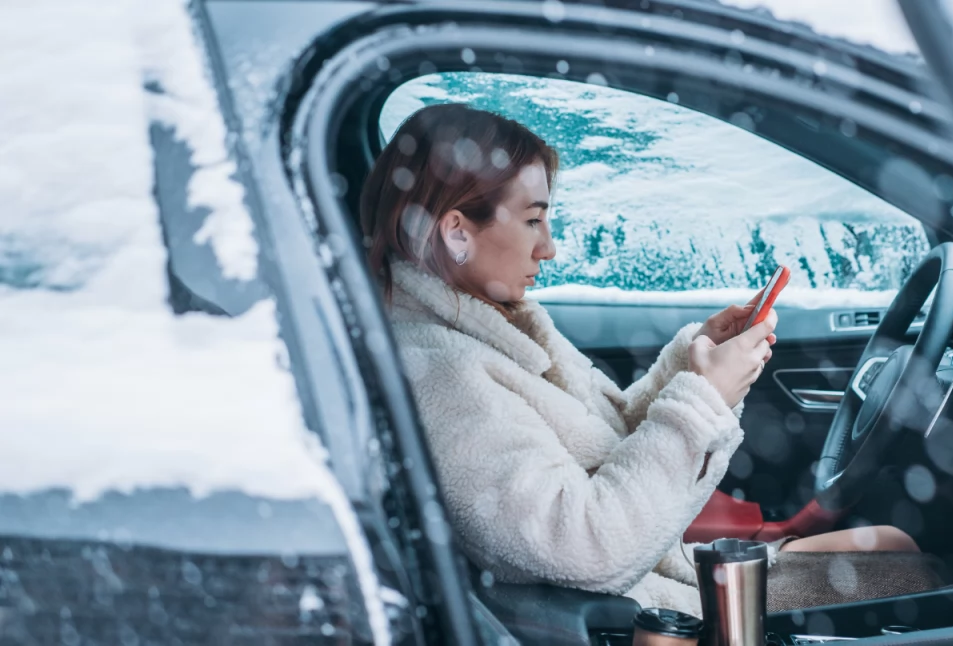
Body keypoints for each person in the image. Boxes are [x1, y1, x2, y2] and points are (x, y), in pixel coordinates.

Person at [360, 103, 917, 614]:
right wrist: (703, 401)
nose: (548, 247)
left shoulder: (495, 322)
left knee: (896, 548)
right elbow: (586, 549)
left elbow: (603, 443)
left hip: (660, 573)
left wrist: (693, 369)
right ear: (457, 231)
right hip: (650, 611)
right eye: (533, 220)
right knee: (916, 576)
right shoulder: (443, 375)